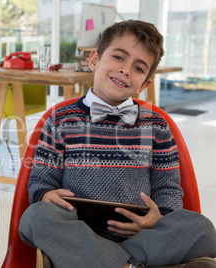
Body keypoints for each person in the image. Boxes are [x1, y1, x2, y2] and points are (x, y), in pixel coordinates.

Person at [18, 20, 216, 268]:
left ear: (144, 84)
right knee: (35, 216)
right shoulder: (59, 120)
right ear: (94, 60)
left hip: (141, 235)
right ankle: (128, 265)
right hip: (76, 231)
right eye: (119, 57)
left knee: (202, 229)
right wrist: (46, 195)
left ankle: (112, 263)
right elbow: (41, 180)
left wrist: (157, 218)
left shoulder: (157, 125)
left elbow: (168, 188)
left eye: (139, 68)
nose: (125, 70)